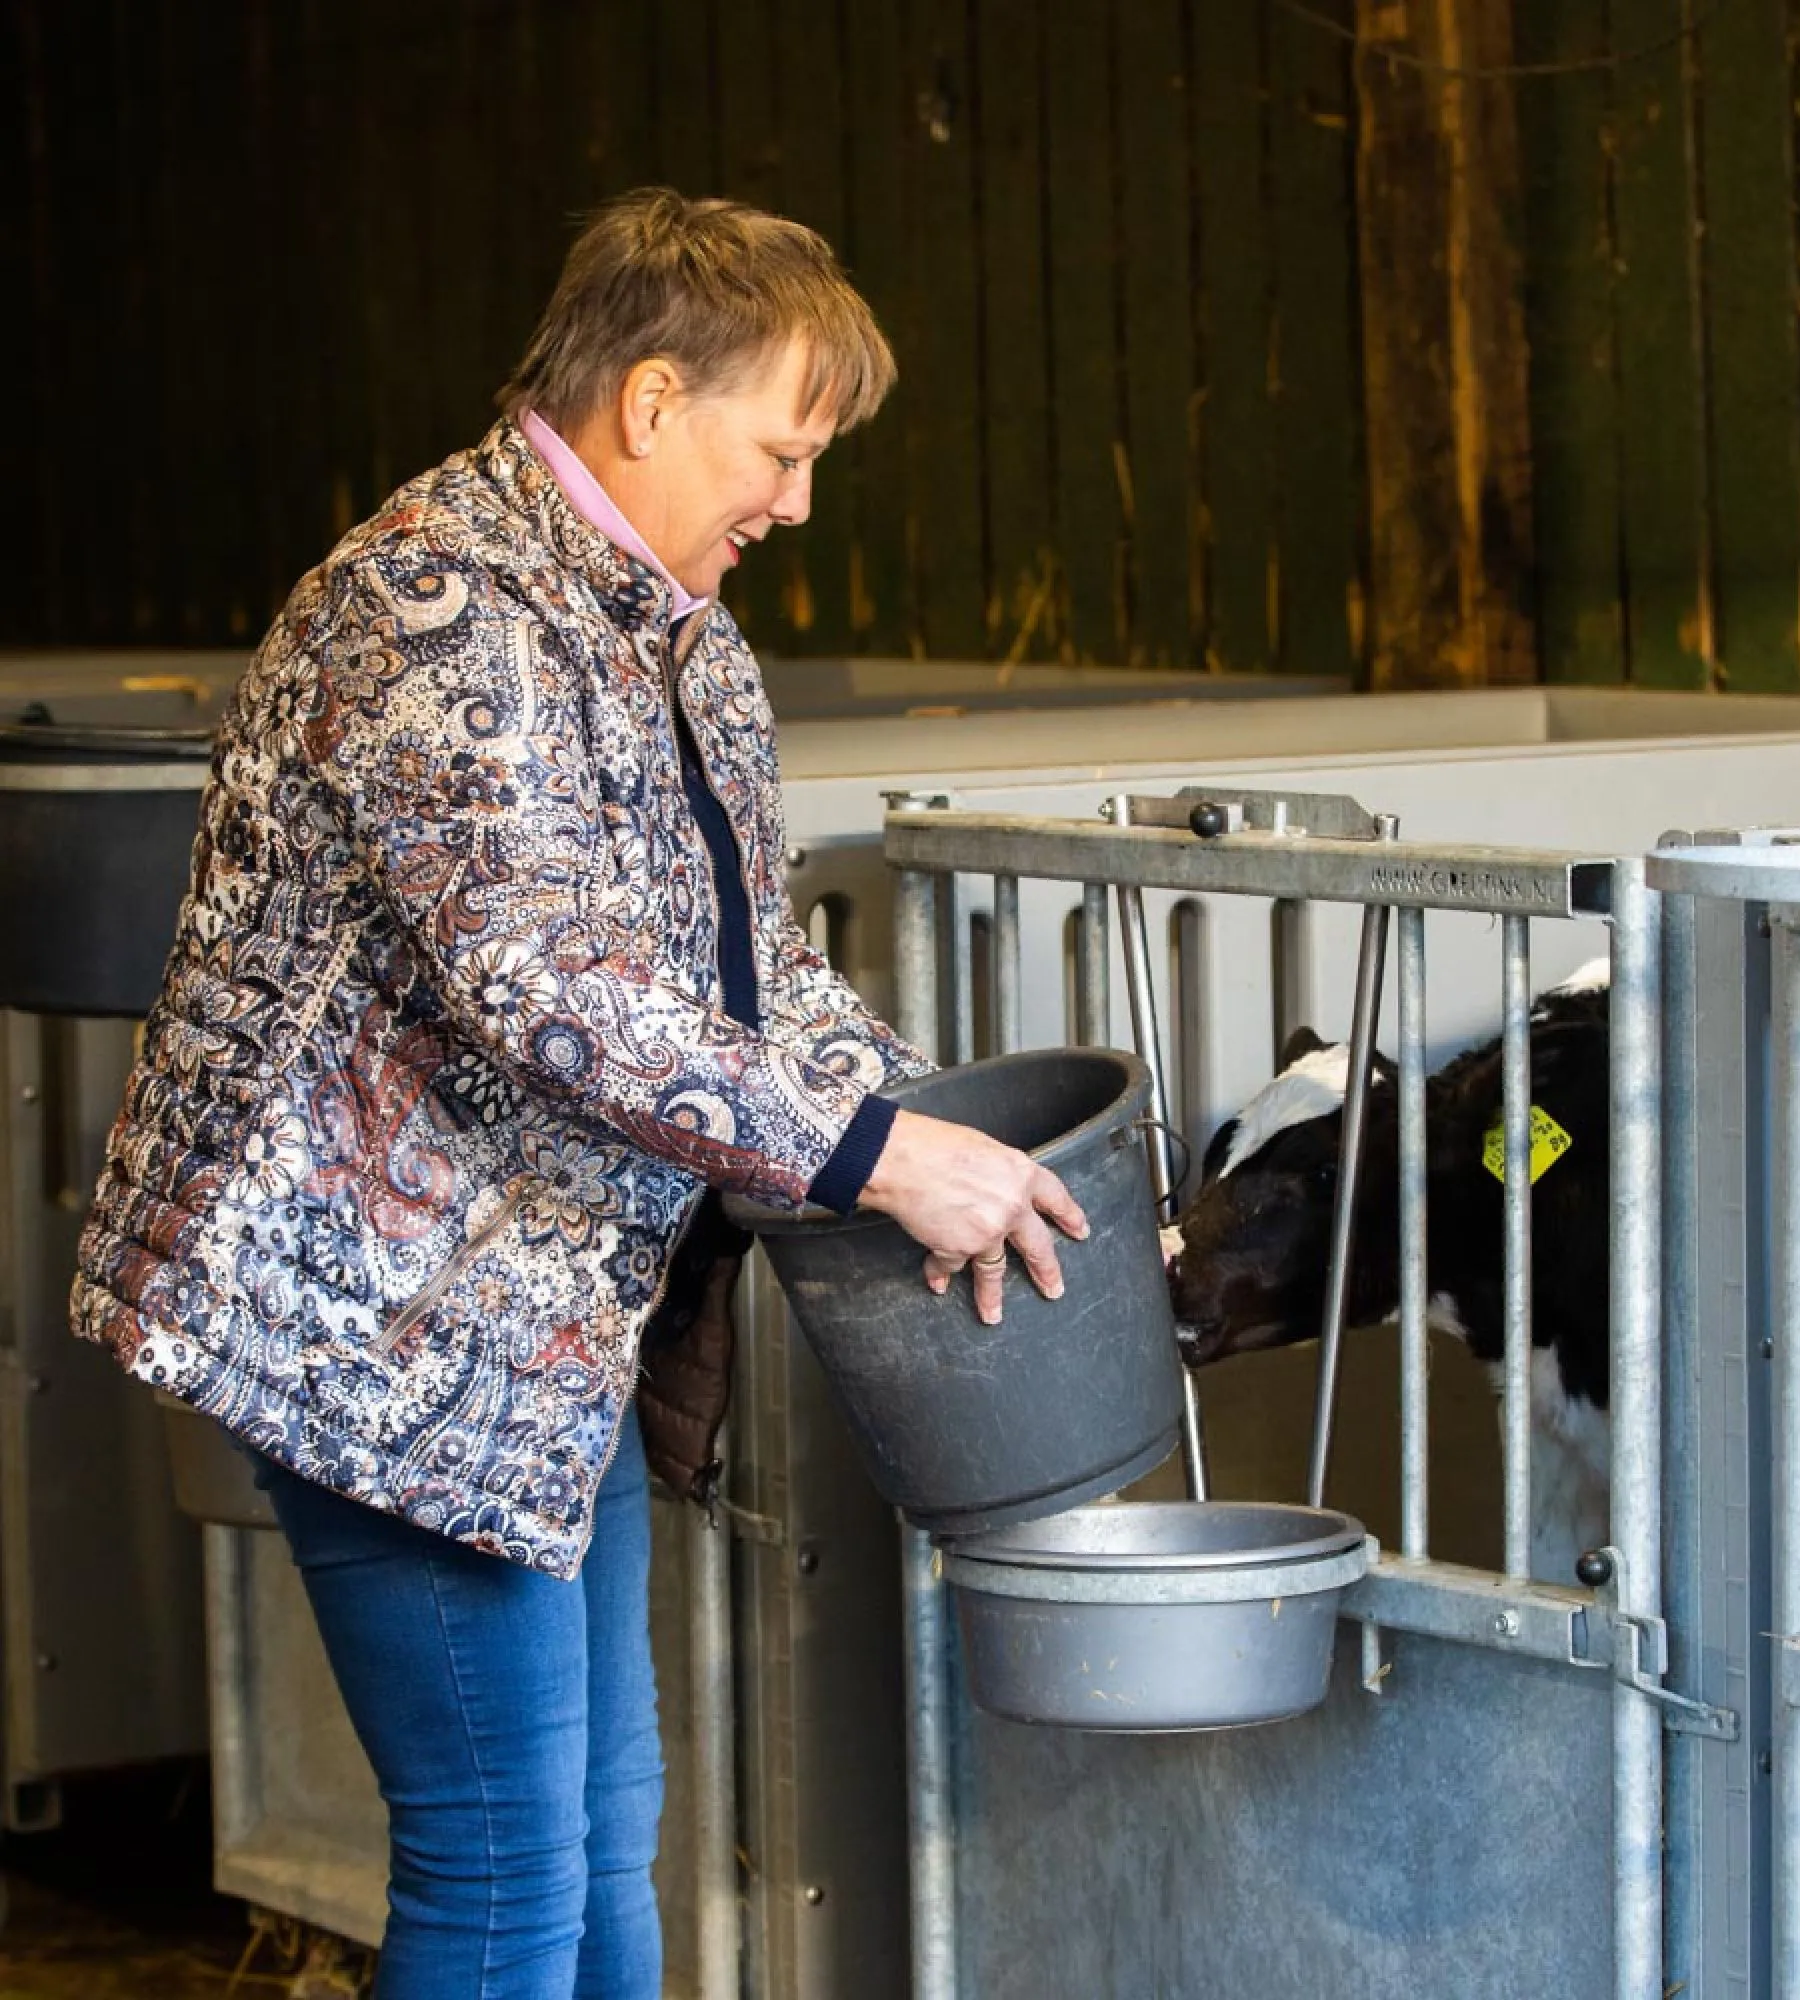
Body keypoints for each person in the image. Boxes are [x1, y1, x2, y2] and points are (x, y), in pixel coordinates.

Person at [70, 188, 1086, 1999]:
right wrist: (869, 1157)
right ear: (648, 399)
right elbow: (548, 985)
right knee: (501, 1865)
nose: (796, 499)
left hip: (546, 1319)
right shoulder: (434, 605)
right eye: (779, 448)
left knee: (604, 1831)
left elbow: (751, 980)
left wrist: (964, 1145)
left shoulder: (684, 640)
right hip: (379, 1314)